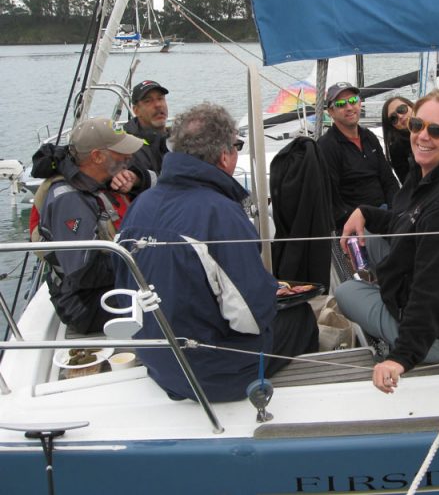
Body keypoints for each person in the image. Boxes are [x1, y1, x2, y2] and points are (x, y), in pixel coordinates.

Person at [116, 103, 318, 402]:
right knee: (300, 317)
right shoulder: (220, 214)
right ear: (224, 155)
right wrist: (270, 293)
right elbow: (250, 317)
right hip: (211, 374)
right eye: (237, 145)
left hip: (158, 361)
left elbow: (123, 295)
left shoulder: (139, 206)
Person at [335, 87, 439, 394]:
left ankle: (390, 310)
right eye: (417, 125)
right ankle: (388, 291)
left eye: (436, 130)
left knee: (347, 292)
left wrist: (401, 358)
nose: (422, 136)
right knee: (369, 234)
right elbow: (405, 220)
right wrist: (365, 213)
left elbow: (431, 293)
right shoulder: (429, 170)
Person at [33, 118, 143, 334]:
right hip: (84, 306)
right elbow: (83, 273)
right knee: (172, 296)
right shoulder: (70, 200)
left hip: (97, 290)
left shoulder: (94, 183)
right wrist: (141, 260)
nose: (129, 156)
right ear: (97, 156)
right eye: (121, 151)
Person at [317, 81, 400, 230]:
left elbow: (389, 180)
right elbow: (332, 201)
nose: (349, 107)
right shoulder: (327, 146)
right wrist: (369, 219)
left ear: (360, 103)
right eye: (341, 104)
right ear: (331, 112)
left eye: (353, 100)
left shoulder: (369, 137)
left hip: (385, 214)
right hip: (357, 223)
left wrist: (395, 212)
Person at [122, 80, 171, 187]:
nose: (158, 105)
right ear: (136, 110)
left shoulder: (176, 138)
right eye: (148, 101)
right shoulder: (128, 147)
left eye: (160, 98)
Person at [380, 96, 414, 183]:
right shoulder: (397, 148)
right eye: (393, 118)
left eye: (401, 109)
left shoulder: (433, 125)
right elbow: (408, 183)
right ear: (392, 126)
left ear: (411, 106)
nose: (400, 116)